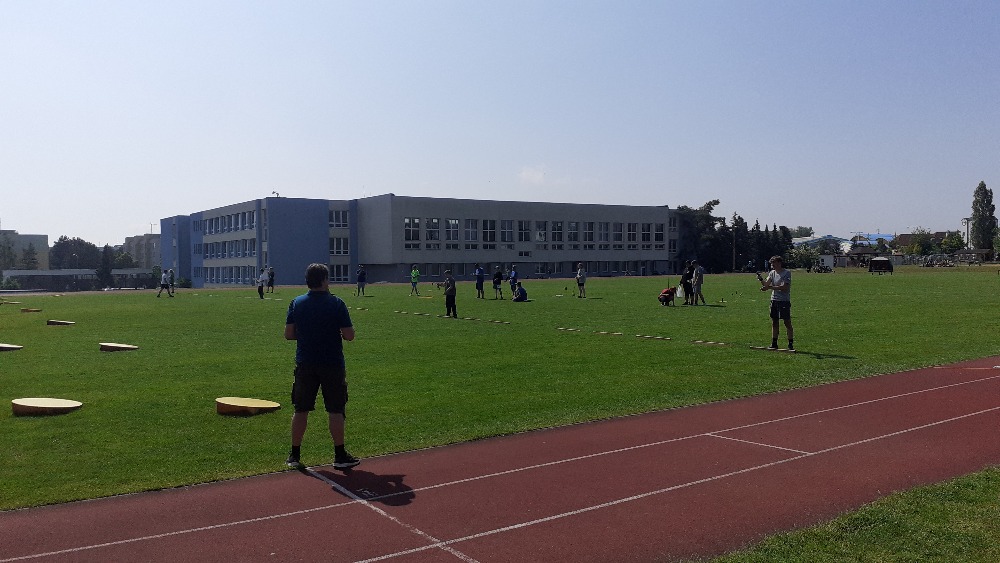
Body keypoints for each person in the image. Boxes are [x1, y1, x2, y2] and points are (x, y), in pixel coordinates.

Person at [284, 263, 360, 470]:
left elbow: (289, 334)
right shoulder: (336, 303)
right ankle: (339, 455)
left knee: (301, 410)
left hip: (305, 363)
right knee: (335, 410)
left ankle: (294, 455)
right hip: (332, 363)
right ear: (325, 280)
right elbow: (349, 335)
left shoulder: (296, 303)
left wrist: (308, 334)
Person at [759, 255, 793, 350]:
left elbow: (784, 287)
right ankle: (774, 343)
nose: (772, 265)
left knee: (787, 322)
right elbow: (766, 284)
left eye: (774, 263)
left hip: (784, 301)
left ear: (779, 263)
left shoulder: (786, 273)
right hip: (774, 300)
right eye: (772, 263)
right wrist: (761, 279)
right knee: (774, 322)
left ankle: (790, 343)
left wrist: (769, 287)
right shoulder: (772, 273)